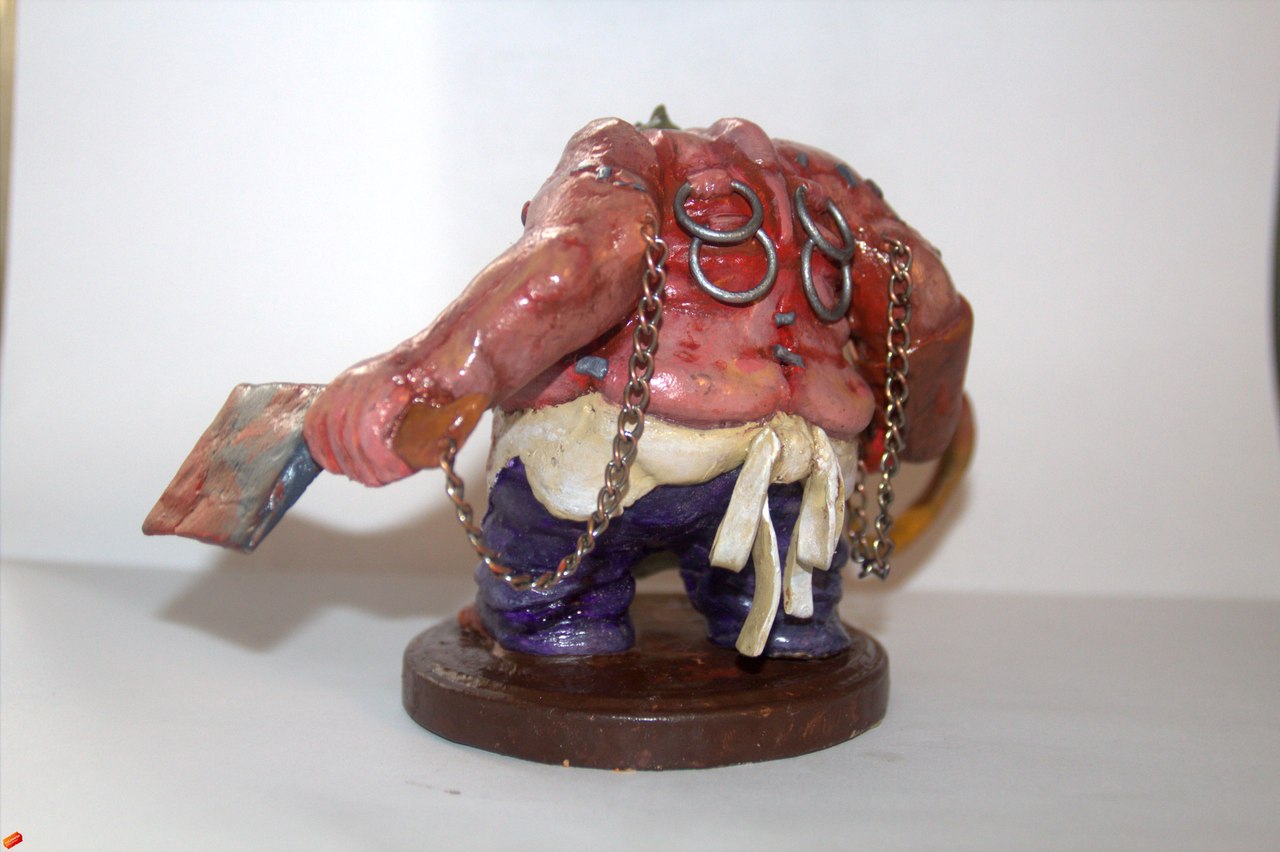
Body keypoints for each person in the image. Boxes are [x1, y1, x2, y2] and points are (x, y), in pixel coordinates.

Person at [302, 114, 972, 658]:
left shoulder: (618, 152)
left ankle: (556, 636)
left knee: (553, 616)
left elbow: (583, 259)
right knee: (784, 614)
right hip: (797, 470)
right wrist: (912, 431)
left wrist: (420, 376)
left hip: (611, 458)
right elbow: (926, 294)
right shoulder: (823, 180)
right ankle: (791, 638)